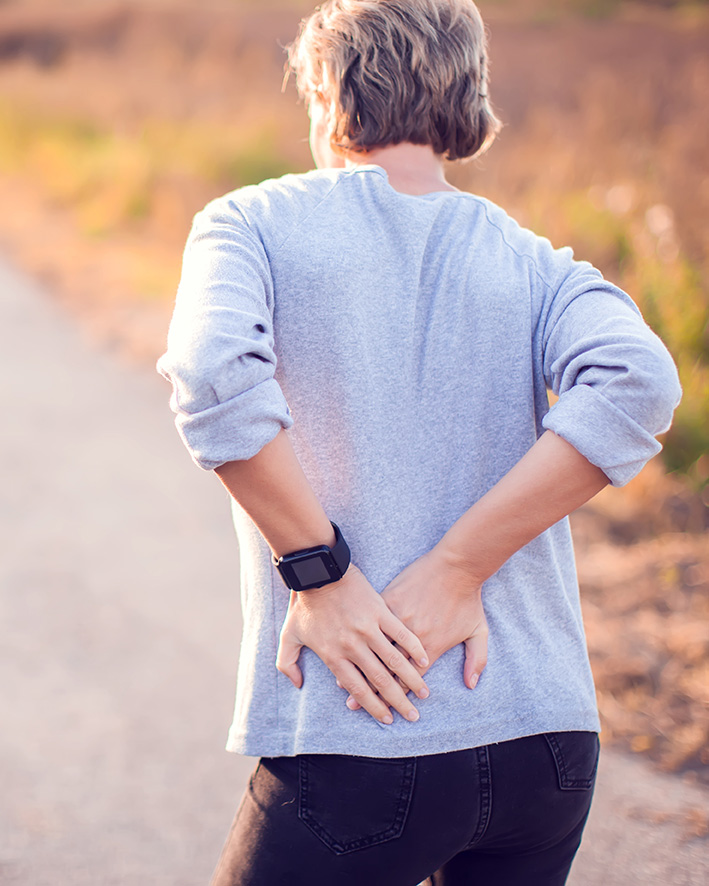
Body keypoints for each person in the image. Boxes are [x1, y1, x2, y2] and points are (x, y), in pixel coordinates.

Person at [156, 1, 681, 883]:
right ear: (465, 97)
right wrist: (460, 568)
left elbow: (211, 376)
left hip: (366, 736)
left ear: (326, 93)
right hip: (547, 748)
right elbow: (639, 383)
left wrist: (320, 574)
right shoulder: (532, 259)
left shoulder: (250, 224)